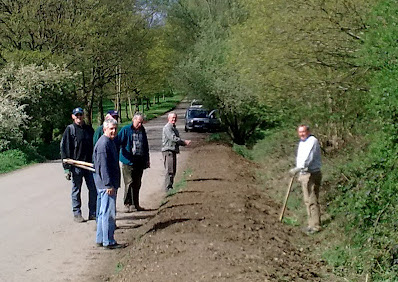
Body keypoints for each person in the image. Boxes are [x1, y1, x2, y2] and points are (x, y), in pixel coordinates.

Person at [92, 118, 126, 249]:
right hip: (106, 185)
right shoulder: (103, 144)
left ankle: (101, 238)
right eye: (111, 129)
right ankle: (108, 241)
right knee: (108, 213)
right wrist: (108, 185)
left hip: (106, 184)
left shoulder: (110, 142)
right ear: (104, 129)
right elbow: (103, 167)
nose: (114, 131)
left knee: (102, 212)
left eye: (115, 128)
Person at [60, 107, 97, 223]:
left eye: (81, 115)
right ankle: (77, 213)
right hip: (76, 165)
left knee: (93, 189)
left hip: (89, 165)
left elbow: (95, 146)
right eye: (77, 115)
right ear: (73, 116)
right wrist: (66, 169)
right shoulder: (70, 130)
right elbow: (64, 149)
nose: (79, 117)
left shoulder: (89, 130)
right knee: (76, 190)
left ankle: (93, 213)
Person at [289, 124, 322, 235]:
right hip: (303, 174)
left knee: (312, 200)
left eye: (304, 132)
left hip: (311, 174)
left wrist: (297, 168)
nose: (302, 134)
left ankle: (316, 226)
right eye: (300, 132)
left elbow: (308, 158)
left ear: (308, 131)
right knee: (307, 201)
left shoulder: (312, 141)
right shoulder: (302, 143)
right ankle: (310, 224)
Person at [118, 113, 150, 212]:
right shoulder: (126, 129)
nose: (140, 124)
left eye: (141, 122)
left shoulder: (142, 130)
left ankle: (136, 204)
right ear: (133, 120)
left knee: (137, 183)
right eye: (138, 122)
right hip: (128, 161)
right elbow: (118, 142)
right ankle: (128, 203)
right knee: (129, 182)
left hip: (139, 161)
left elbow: (145, 145)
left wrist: (147, 159)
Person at [162, 112, 191, 191]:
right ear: (168, 119)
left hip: (172, 151)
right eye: (172, 118)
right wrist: (184, 142)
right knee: (170, 170)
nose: (174, 119)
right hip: (168, 151)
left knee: (173, 170)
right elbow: (173, 138)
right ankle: (168, 188)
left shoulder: (173, 127)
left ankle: (170, 186)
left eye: (175, 118)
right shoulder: (168, 127)